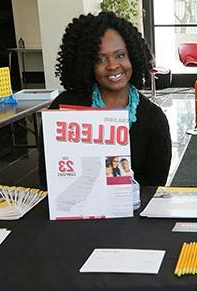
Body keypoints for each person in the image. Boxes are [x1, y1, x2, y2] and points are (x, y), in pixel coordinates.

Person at [44, 11, 171, 186]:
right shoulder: (64, 108)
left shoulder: (153, 118)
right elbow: (48, 176)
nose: (112, 66)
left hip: (134, 210)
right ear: (87, 64)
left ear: (133, 56)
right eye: (100, 59)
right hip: (76, 208)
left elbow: (155, 183)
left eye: (120, 55)